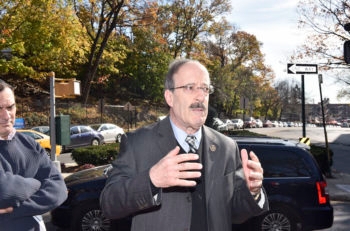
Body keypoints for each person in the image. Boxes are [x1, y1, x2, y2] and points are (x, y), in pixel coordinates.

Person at [100, 59, 269, 231]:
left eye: (205, 88)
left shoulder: (227, 147)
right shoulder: (138, 143)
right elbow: (109, 204)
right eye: (190, 87)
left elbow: (235, 215)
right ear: (170, 97)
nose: (201, 96)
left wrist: (252, 192)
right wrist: (151, 180)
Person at [0, 79, 67, 230]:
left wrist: (17, 209)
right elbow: (3, 191)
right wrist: (38, 183)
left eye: (10, 107)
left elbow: (59, 188)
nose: (6, 115)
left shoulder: (29, 144)